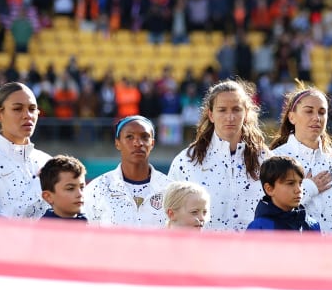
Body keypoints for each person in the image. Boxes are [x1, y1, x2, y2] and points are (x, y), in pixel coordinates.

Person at [168, 80, 268, 231]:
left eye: (236, 109)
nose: (230, 117)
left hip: (252, 251)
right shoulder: (187, 161)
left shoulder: (264, 159)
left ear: (245, 113)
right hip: (202, 251)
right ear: (211, 114)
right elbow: (168, 214)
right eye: (222, 110)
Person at [270, 87, 332, 233]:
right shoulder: (274, 159)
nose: (316, 118)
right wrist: (308, 188)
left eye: (322, 112)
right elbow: (270, 211)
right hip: (295, 251)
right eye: (309, 111)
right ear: (292, 117)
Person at [85, 115, 171, 228]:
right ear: (117, 143)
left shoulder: (169, 189)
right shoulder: (97, 188)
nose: (138, 143)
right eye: (129, 137)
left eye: (145, 137)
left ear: (152, 144)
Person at [0, 82, 51, 219]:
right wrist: (37, 186)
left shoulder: (48, 162)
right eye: (17, 109)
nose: (27, 115)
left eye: (32, 109)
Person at [247, 155, 319, 231]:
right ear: (269, 189)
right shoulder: (259, 228)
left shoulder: (312, 225)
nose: (299, 190)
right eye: (290, 183)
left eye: (300, 183)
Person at [38, 155, 88, 221]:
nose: (80, 194)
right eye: (70, 188)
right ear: (48, 197)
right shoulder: (43, 229)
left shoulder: (89, 222)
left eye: (82, 187)